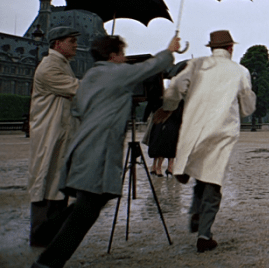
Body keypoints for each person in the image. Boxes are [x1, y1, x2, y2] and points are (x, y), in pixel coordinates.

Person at [32, 35, 179, 268]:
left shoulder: (90, 76)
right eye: (122, 54)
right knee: (87, 211)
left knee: (95, 199)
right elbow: (150, 67)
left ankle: (46, 230)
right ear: (113, 56)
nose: (124, 59)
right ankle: (48, 262)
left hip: (81, 147)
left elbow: (79, 110)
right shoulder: (116, 74)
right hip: (98, 151)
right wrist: (170, 50)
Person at [154, 30, 256, 253]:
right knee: (213, 180)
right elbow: (248, 107)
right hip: (221, 130)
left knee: (202, 172)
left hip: (195, 127)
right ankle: (204, 233)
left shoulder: (197, 65)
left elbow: (174, 87)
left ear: (211, 48)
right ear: (230, 48)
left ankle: (194, 205)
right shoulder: (240, 71)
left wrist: (168, 107)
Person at [27, 26, 80, 247]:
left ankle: (52, 232)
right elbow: (77, 88)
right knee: (46, 177)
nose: (76, 45)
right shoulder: (49, 67)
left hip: (59, 132)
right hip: (49, 133)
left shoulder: (62, 64)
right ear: (57, 44)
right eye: (71, 41)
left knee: (57, 179)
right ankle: (40, 235)